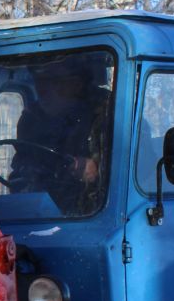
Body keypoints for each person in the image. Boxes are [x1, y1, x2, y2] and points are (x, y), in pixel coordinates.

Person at [8, 57, 112, 216]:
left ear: (76, 84)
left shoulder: (115, 114)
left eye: (52, 81)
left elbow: (143, 173)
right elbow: (22, 165)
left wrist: (97, 170)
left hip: (98, 217)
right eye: (38, 81)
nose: (42, 89)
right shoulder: (32, 119)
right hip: (43, 215)